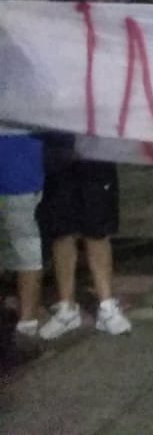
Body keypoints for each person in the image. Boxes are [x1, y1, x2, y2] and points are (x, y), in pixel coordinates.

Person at [35, 132, 131, 339]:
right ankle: (67, 309)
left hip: (96, 154)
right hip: (57, 155)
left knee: (97, 231)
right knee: (62, 232)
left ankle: (106, 306)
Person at [1, 129, 45, 338]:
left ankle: (27, 320)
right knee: (17, 248)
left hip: (18, 175)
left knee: (25, 248)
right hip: (19, 171)